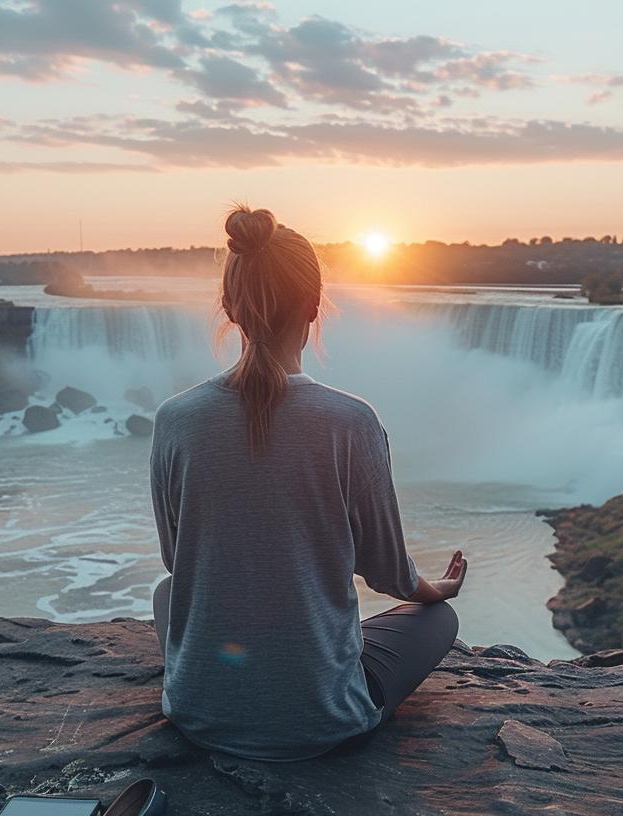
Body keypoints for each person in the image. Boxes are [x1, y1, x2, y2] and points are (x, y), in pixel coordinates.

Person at [148, 205, 467, 762]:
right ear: (315, 307)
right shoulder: (351, 422)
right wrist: (434, 590)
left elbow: (179, 561)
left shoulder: (176, 419)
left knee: (166, 593)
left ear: (229, 307)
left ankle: (214, 685)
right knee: (440, 619)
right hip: (325, 720)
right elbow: (389, 573)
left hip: (196, 714)